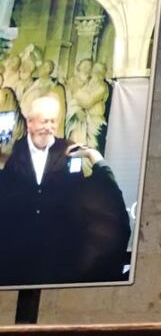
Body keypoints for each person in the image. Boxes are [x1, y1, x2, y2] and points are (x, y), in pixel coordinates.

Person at [0, 95, 131, 286]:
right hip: (17, 255)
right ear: (30, 122)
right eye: (44, 121)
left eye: (53, 121)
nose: (49, 126)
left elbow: (77, 192)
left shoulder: (68, 149)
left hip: (57, 255)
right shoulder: (13, 152)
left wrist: (92, 156)